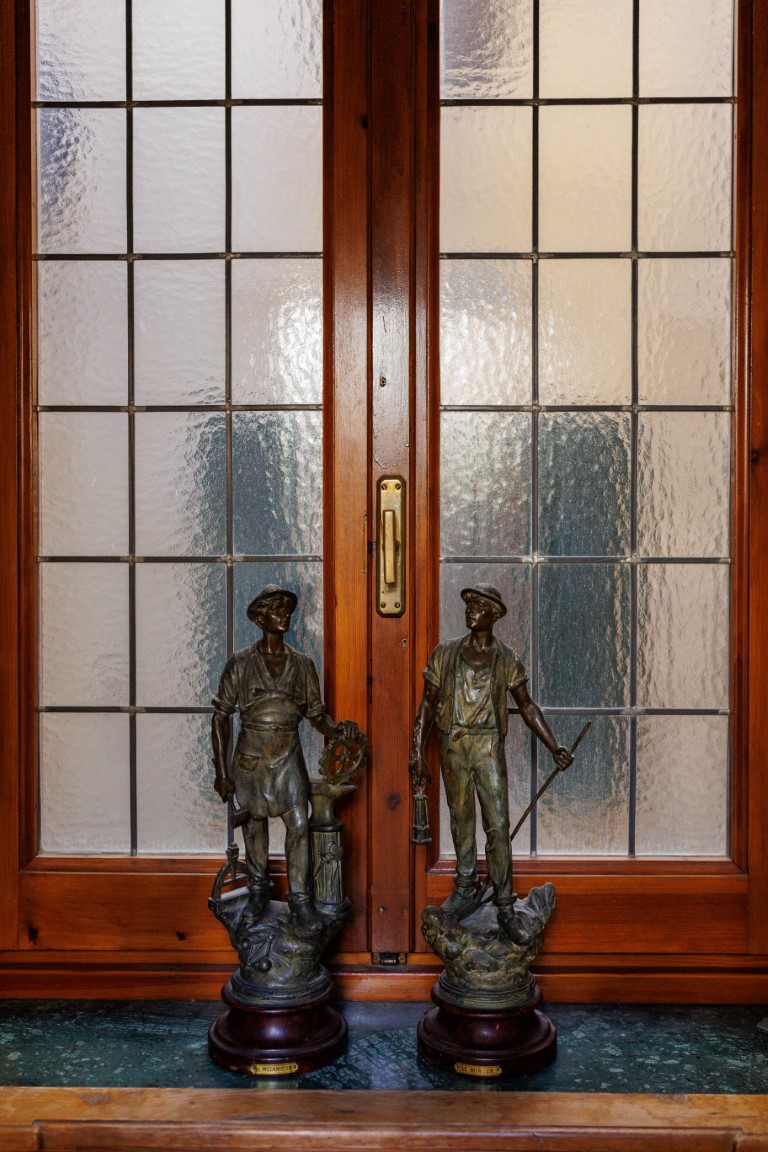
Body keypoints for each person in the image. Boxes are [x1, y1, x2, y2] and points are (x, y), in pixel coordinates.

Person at [410, 583, 573, 943]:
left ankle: (504, 905)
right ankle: (466, 886)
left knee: (497, 824)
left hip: (487, 747)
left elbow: (526, 706)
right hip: (454, 745)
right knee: (461, 818)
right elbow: (427, 705)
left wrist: (554, 746)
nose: (471, 609)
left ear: (494, 615)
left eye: (479, 605)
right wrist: (417, 752)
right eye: (469, 604)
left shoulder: (507, 658)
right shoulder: (445, 654)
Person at [212, 585, 360, 932]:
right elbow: (220, 717)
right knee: (254, 826)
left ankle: (300, 900)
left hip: (288, 756)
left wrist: (338, 730)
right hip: (251, 758)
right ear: (259, 617)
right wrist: (221, 772)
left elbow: (317, 716)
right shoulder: (240, 663)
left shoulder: (303, 664)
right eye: (276, 610)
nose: (284, 616)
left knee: (298, 824)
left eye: (288, 610)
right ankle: (258, 891)